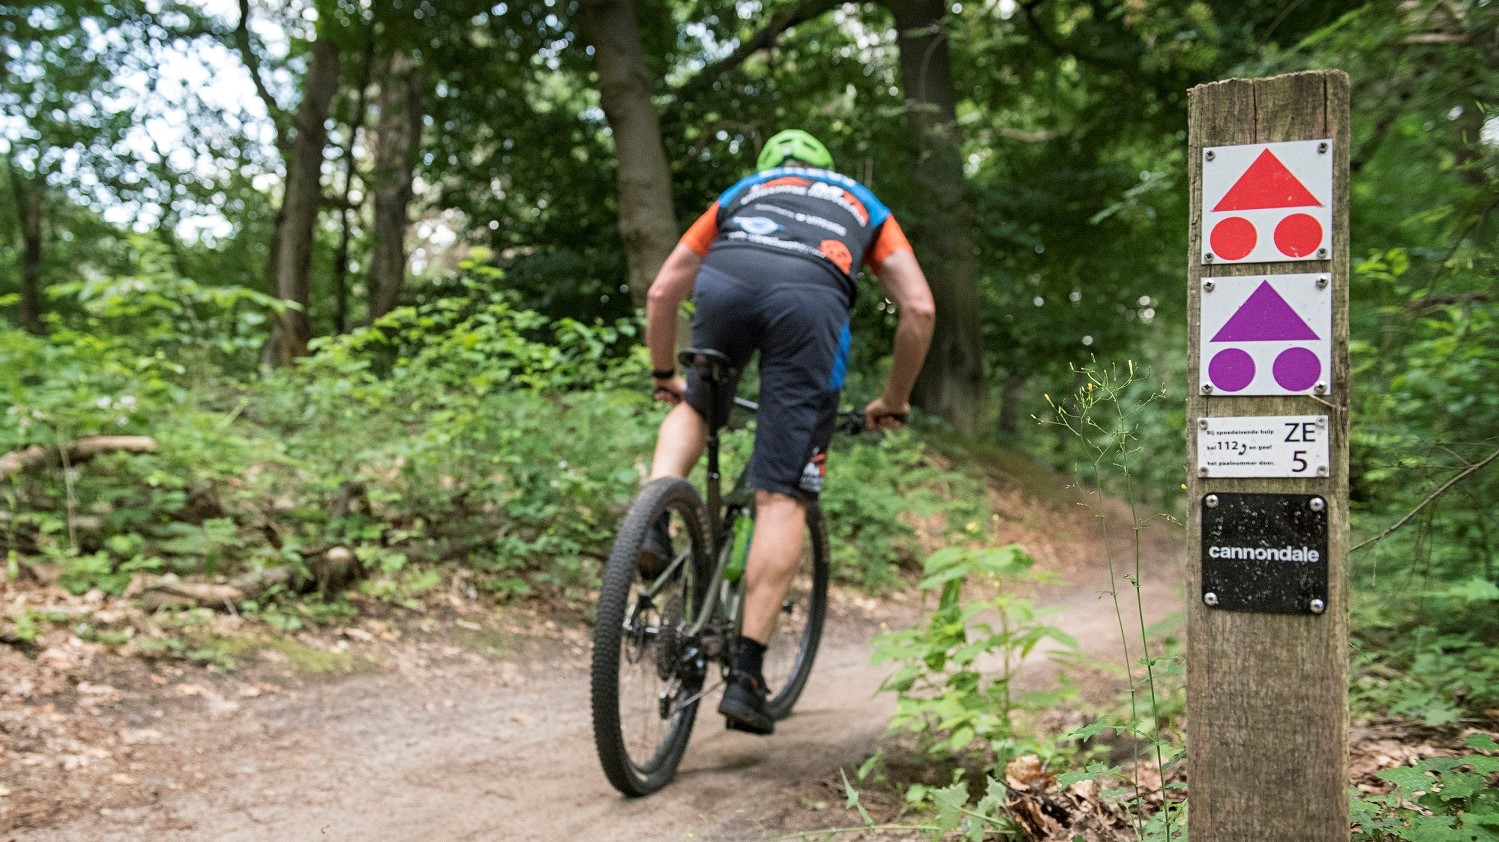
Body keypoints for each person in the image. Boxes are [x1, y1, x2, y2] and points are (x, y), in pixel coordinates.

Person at [641, 129, 935, 735]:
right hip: (808, 301)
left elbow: (664, 288)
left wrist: (665, 372)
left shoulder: (744, 191)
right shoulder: (863, 202)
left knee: (697, 404)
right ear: (828, 169)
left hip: (726, 283)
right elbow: (920, 310)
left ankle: (653, 510)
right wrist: (894, 399)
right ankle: (746, 676)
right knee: (782, 494)